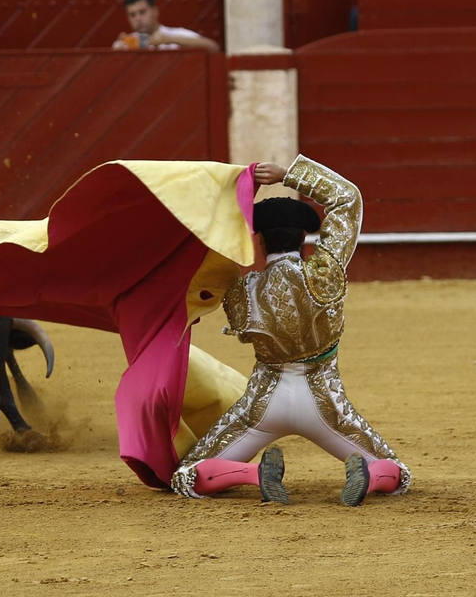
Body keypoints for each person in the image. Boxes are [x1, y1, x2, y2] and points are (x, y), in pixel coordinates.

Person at [171, 158, 412, 507]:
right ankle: (370, 475)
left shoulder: (241, 292)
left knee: (188, 476)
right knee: (397, 473)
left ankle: (255, 475)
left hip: (264, 406)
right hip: (326, 404)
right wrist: (289, 176)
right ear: (303, 238)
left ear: (258, 241)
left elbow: (200, 265)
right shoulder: (325, 273)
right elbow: (347, 199)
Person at [111, 0, 220, 51]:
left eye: (142, 12)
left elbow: (213, 48)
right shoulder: (126, 44)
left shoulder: (174, 35)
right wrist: (119, 56)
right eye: (132, 15)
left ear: (155, 11)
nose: (138, 18)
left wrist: (169, 40)